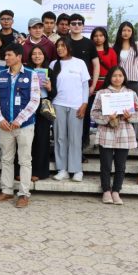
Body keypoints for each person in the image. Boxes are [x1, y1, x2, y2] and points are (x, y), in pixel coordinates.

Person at [0, 43, 40, 209]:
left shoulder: (31, 75)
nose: (6, 58)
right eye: (5, 55)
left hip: (24, 126)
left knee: (25, 160)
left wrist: (19, 119)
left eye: (9, 55)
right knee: (6, 159)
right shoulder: (1, 75)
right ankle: (7, 190)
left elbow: (35, 100)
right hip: (5, 125)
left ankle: (24, 194)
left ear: (19, 57)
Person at [91, 66, 138, 204]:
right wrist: (107, 117)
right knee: (106, 165)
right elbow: (94, 113)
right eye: (114, 75)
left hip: (124, 133)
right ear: (110, 77)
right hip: (106, 133)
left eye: (120, 75)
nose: (117, 78)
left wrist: (130, 117)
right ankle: (106, 191)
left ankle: (116, 191)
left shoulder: (130, 94)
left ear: (124, 77)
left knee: (121, 165)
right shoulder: (102, 93)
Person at [50, 38, 90, 182]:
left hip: (76, 106)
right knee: (60, 137)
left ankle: (76, 170)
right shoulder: (53, 64)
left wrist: (84, 104)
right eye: (58, 46)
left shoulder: (80, 63)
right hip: (58, 104)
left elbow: (85, 85)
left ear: (69, 47)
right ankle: (62, 169)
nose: (60, 48)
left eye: (63, 46)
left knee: (75, 138)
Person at [67, 13, 100, 153]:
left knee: (83, 117)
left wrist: (93, 85)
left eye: (79, 23)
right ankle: (68, 151)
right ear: (69, 26)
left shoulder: (89, 43)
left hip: (83, 87)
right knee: (67, 120)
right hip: (65, 88)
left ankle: (81, 149)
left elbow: (96, 65)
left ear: (83, 26)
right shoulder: (64, 42)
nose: (76, 26)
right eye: (73, 23)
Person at [113, 21, 138, 142]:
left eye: (129, 30)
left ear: (132, 32)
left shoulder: (137, 45)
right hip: (119, 82)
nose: (126, 33)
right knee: (120, 109)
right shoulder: (115, 47)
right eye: (124, 30)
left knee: (133, 110)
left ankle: (134, 137)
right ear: (120, 32)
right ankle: (120, 136)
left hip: (134, 82)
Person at [25, 45, 53, 180]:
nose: (37, 56)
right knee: (27, 139)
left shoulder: (50, 71)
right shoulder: (26, 70)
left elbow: (55, 92)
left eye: (40, 53)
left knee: (42, 139)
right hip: (28, 105)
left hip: (43, 106)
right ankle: (24, 171)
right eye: (34, 53)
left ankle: (39, 172)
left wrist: (50, 88)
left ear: (44, 55)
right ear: (30, 56)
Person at [91, 27, 118, 91]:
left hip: (106, 84)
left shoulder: (111, 51)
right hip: (91, 84)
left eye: (101, 35)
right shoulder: (89, 51)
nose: (98, 38)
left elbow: (114, 69)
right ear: (92, 38)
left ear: (105, 37)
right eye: (95, 36)